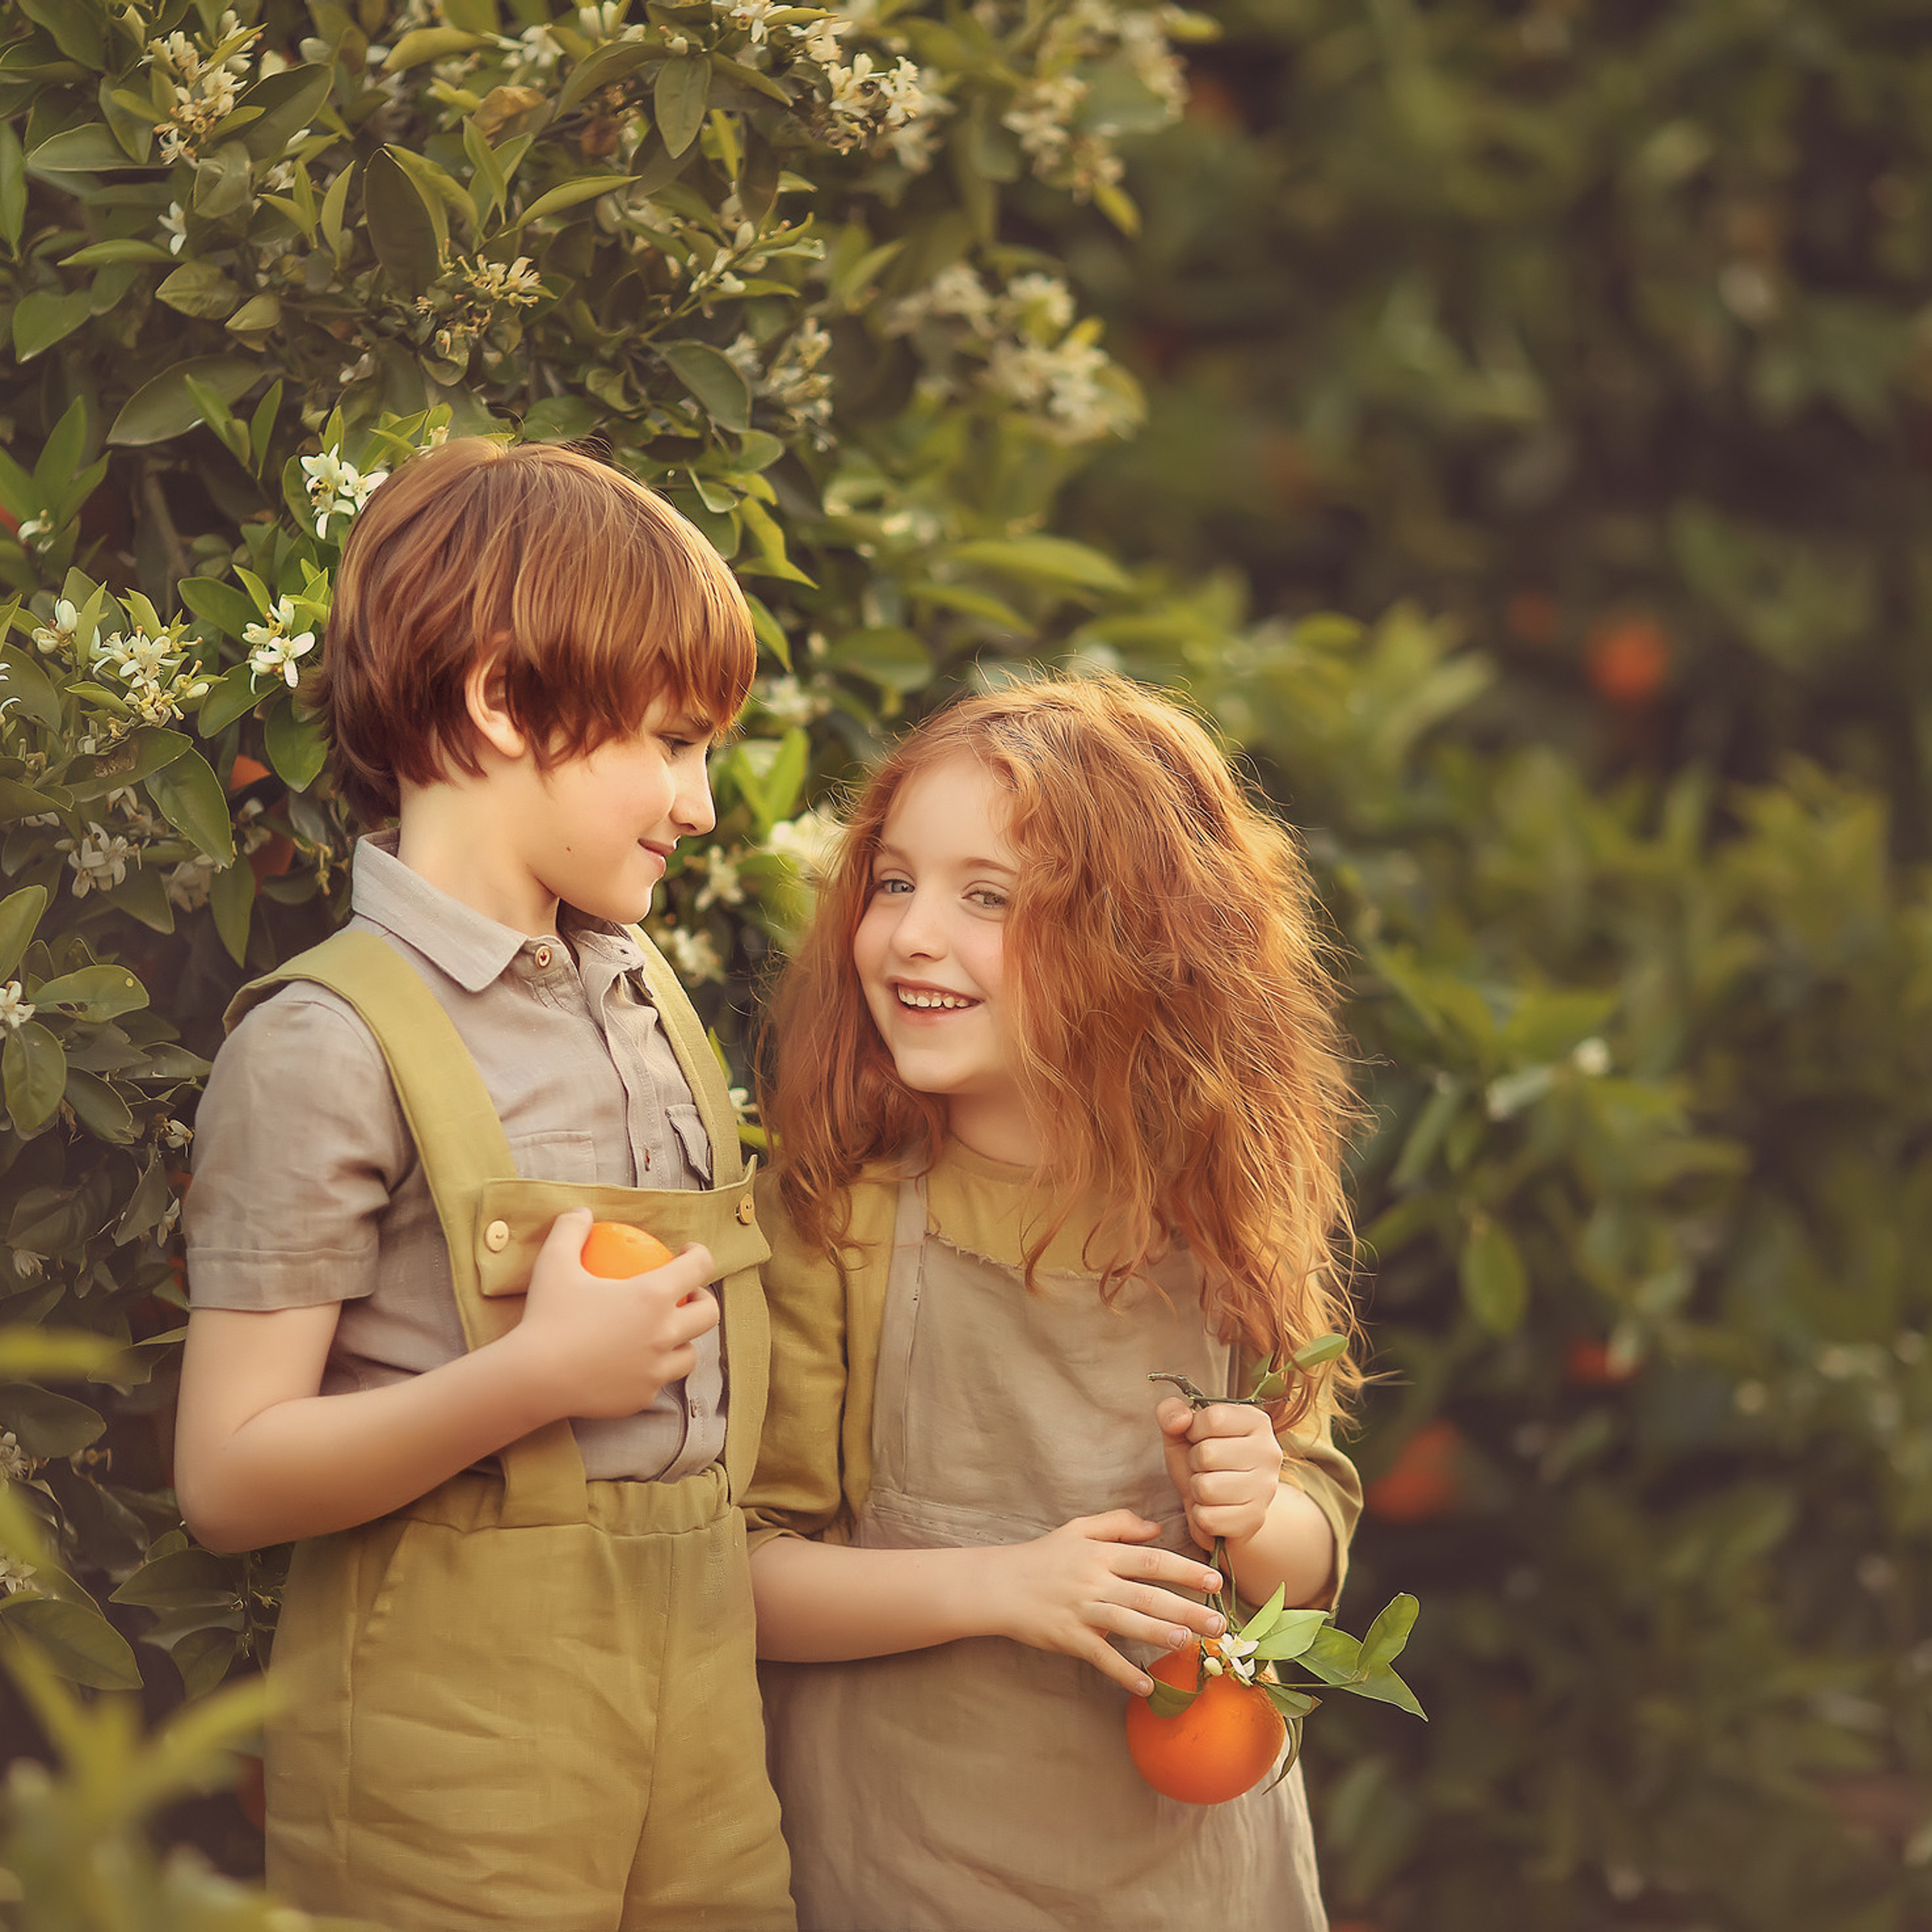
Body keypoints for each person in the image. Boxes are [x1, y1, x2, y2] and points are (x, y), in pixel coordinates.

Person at [174, 439, 795, 1932]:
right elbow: (229, 1472)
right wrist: (530, 1379)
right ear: (503, 698)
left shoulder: (647, 990)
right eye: (669, 740)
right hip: (449, 1768)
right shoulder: (325, 1041)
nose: (700, 803)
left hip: (709, 1731)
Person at [745, 673, 1365, 1932]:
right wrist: (1002, 1586)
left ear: (1138, 947)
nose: (914, 935)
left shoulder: (1220, 1221)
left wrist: (1260, 1510)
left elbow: (1309, 1566)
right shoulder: (835, 1219)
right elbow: (738, 1580)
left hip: (1199, 1879)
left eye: (989, 899)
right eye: (896, 882)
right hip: (913, 1864)